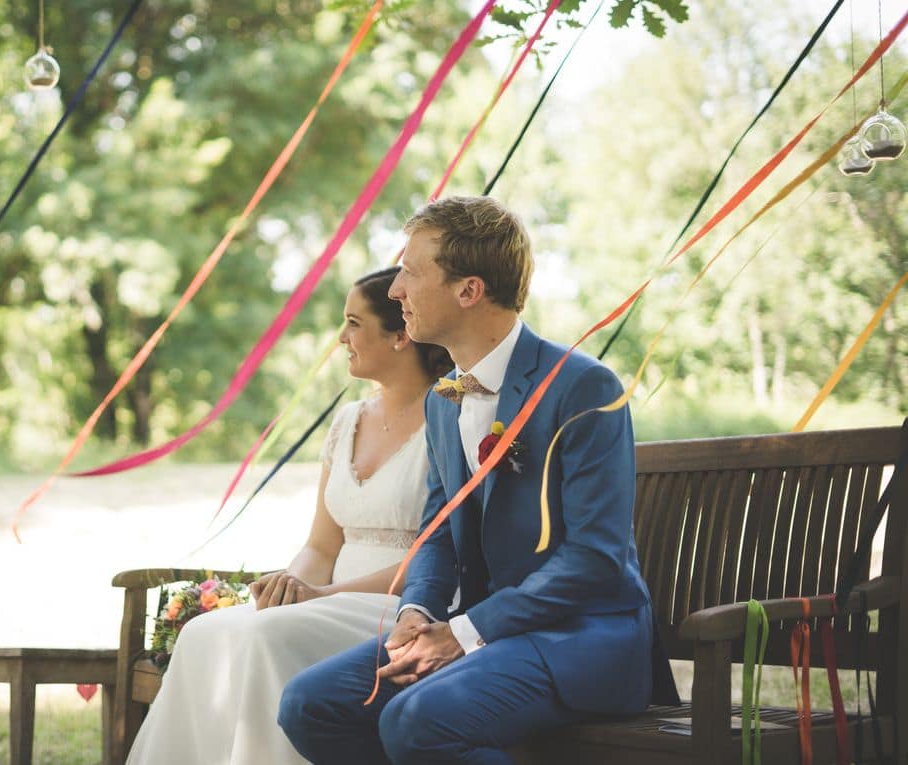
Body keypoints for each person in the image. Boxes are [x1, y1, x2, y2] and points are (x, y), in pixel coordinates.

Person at [279, 196, 677, 764]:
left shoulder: (583, 387)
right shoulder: (444, 400)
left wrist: (466, 633)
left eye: (411, 274)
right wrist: (418, 611)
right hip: (486, 636)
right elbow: (436, 534)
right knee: (309, 703)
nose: (395, 291)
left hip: (583, 640)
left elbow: (595, 557)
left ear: (469, 290)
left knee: (417, 720)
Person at [125, 267, 453, 765]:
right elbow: (322, 546)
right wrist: (288, 587)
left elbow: (438, 550)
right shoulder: (347, 422)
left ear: (401, 336)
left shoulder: (449, 418)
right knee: (203, 633)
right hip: (326, 598)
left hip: (405, 604)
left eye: (353, 323)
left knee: (267, 635)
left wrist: (320, 596)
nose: (341, 337)